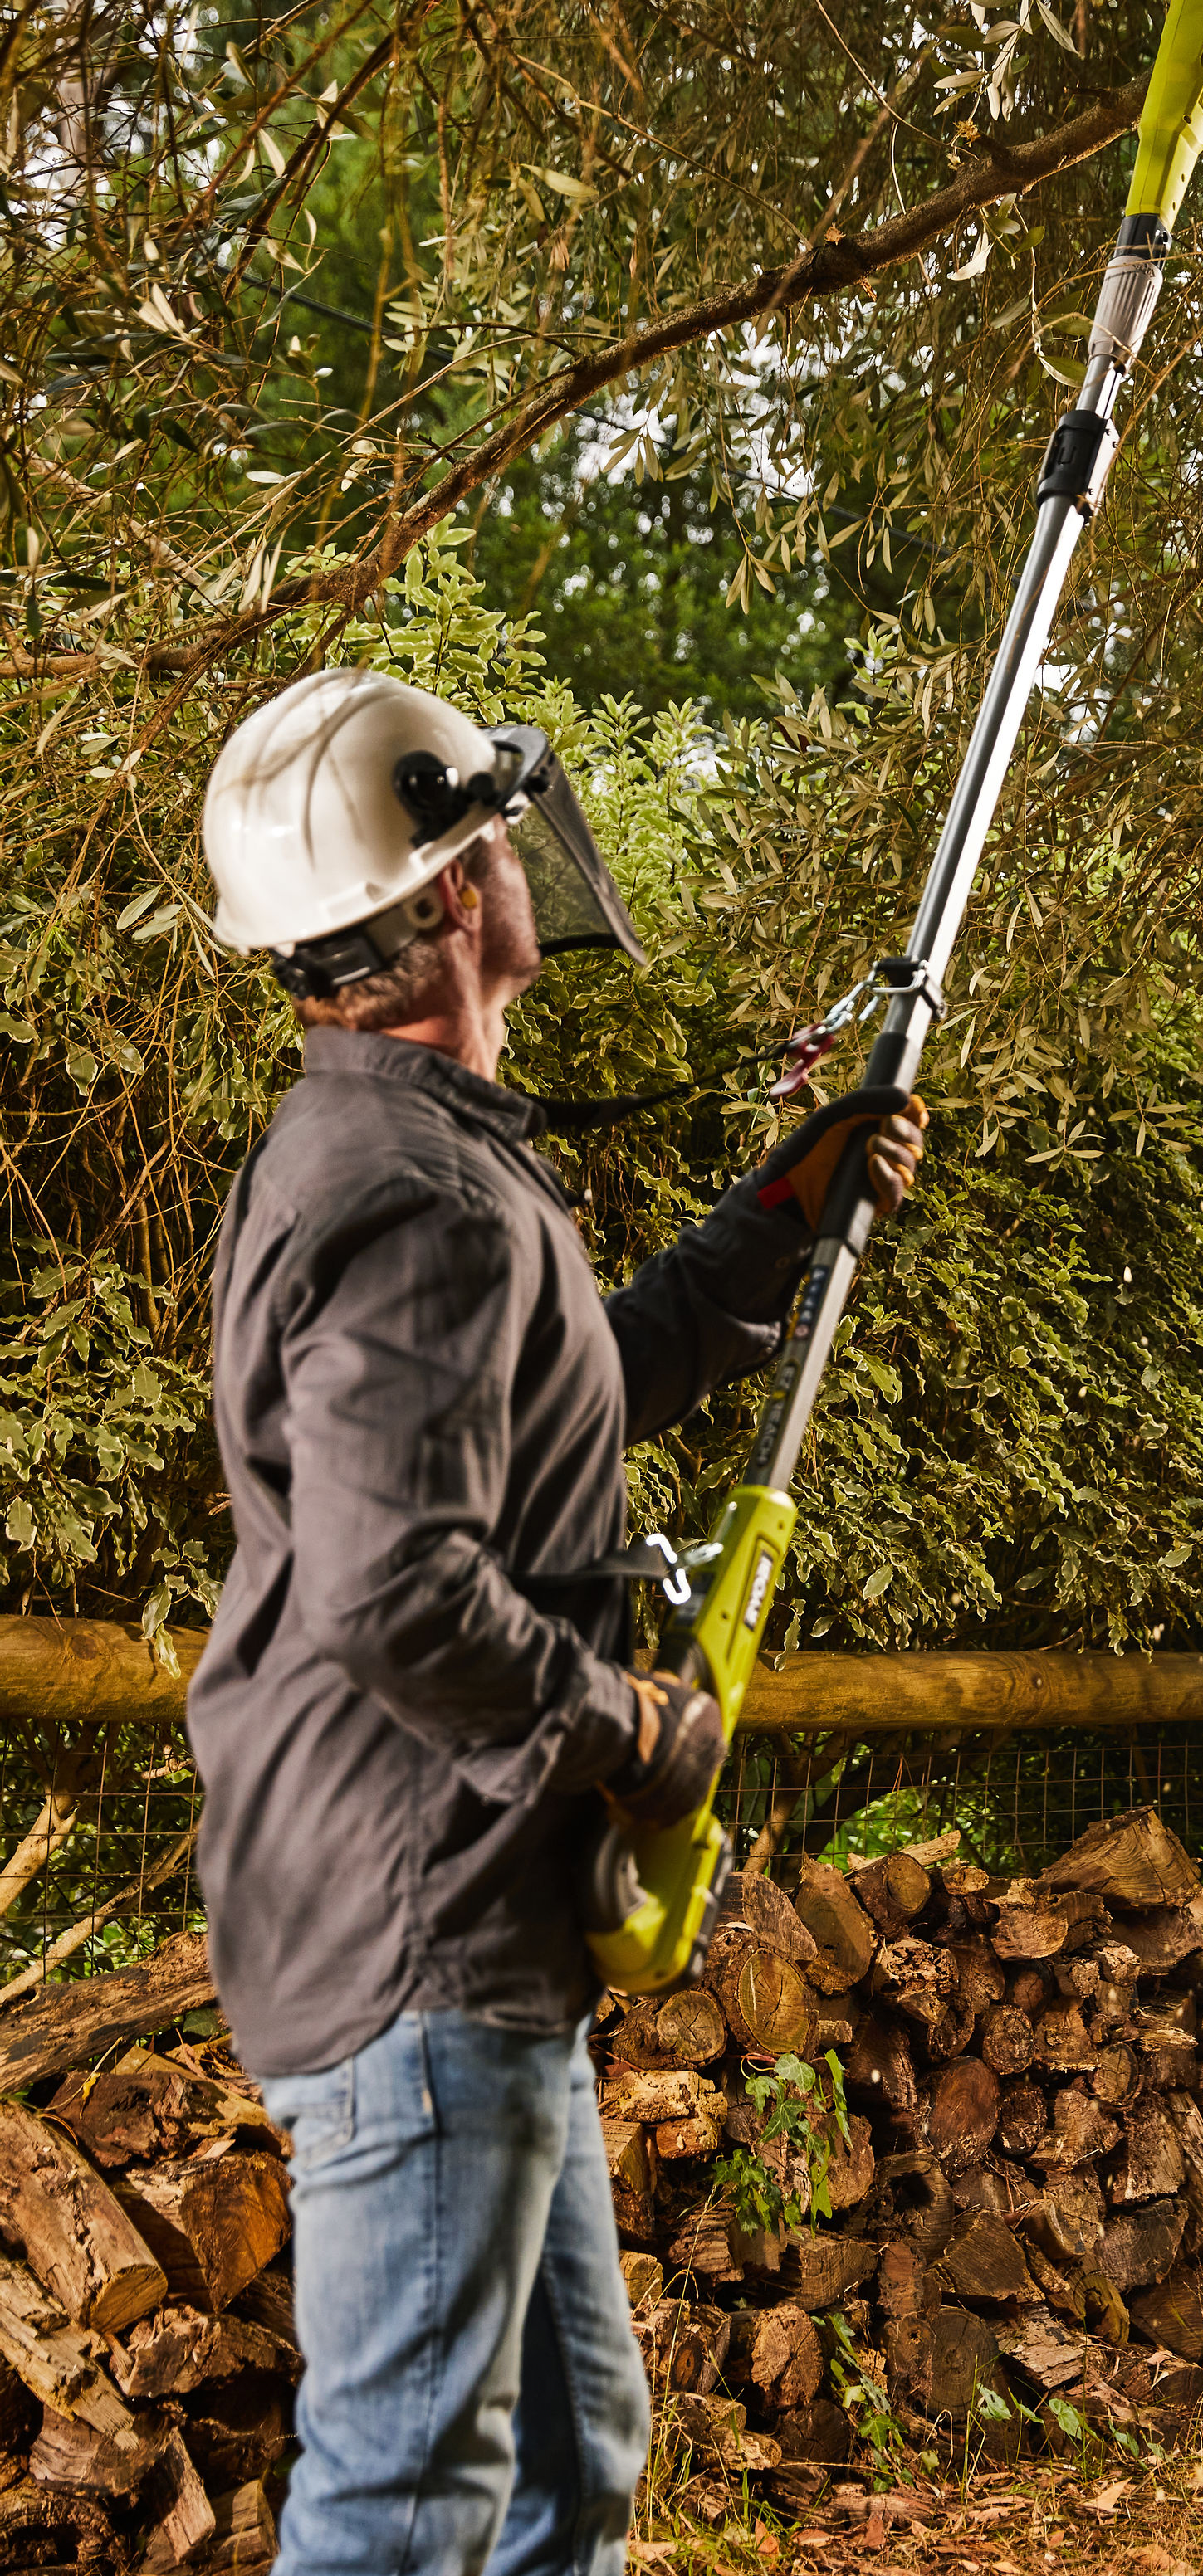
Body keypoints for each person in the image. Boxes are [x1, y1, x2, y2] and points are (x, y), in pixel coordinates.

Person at [188, 666, 924, 2576]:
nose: (518, 863)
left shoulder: (406, 1152)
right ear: (444, 899)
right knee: (409, 2495)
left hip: (449, 1905)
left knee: (568, 2462)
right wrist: (626, 1726)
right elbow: (391, 1588)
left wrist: (774, 1221)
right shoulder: (415, 1191)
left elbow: (558, 1389)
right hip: (419, 1919)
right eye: (491, 836)